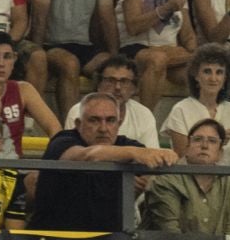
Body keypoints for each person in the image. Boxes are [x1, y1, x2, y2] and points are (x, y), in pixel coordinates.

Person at [27, 92, 176, 231]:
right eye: (94, 120)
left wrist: (167, 156)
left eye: (110, 120)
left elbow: (146, 180)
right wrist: (135, 153)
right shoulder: (62, 141)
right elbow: (88, 156)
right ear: (78, 124)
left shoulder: (129, 145)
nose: (103, 128)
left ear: (119, 123)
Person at [117, 0, 192, 109]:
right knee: (157, 59)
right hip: (136, 48)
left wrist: (193, 53)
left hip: (170, 53)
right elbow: (133, 26)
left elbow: (189, 36)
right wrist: (165, 9)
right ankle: (147, 122)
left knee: (202, 72)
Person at [142, 117, 230, 233]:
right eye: (197, 139)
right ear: (187, 148)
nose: (204, 146)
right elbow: (170, 233)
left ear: (220, 153)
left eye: (212, 141)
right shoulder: (167, 179)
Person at [59, 52, 161, 147]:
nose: (117, 87)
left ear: (134, 88)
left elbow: (151, 155)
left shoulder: (144, 114)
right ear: (98, 84)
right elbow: (73, 156)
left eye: (124, 81)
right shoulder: (78, 111)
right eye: (110, 81)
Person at [165, 43, 230, 164]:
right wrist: (216, 142)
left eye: (219, 72)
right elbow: (181, 156)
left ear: (225, 78)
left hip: (224, 180)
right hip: (188, 178)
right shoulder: (181, 109)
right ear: (196, 76)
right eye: (207, 71)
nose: (213, 78)